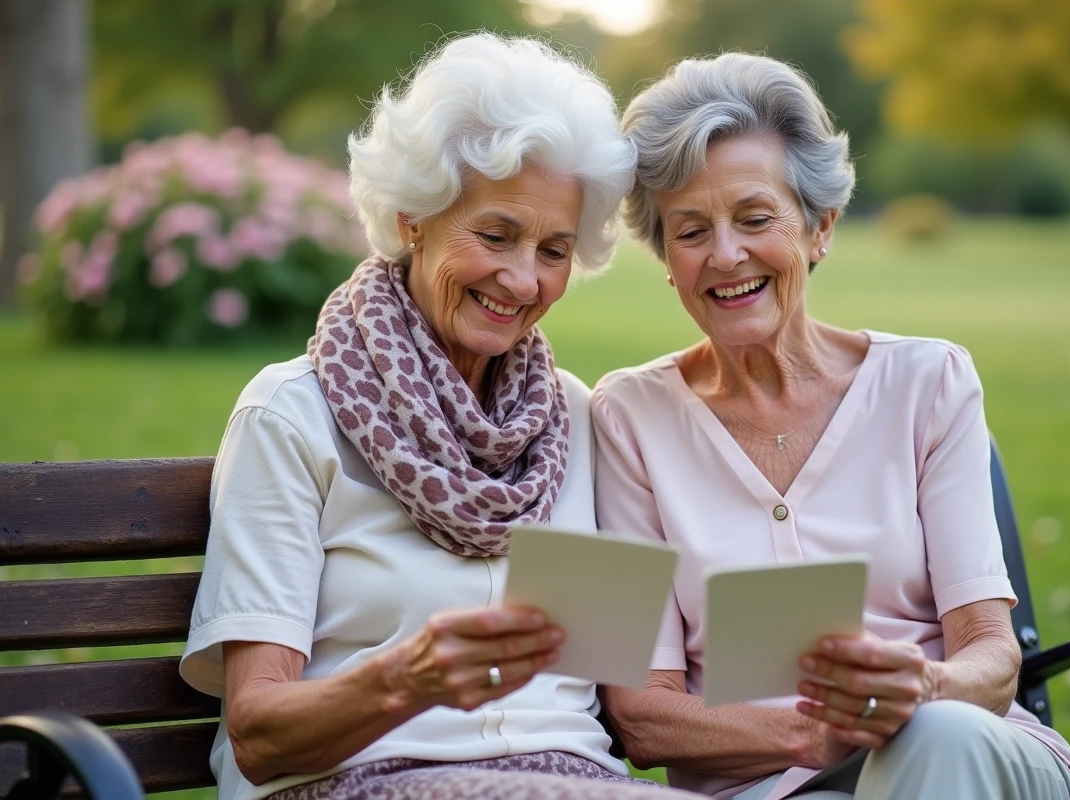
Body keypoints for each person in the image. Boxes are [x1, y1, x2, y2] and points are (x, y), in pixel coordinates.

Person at [180, 33, 690, 800]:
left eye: (554, 250)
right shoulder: (293, 416)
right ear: (413, 215)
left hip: (575, 780)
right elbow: (256, 733)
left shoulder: (579, 419)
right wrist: (404, 679)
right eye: (495, 235)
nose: (522, 279)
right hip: (356, 782)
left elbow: (624, 687)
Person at [591, 53, 1070, 800]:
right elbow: (640, 717)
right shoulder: (622, 417)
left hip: (975, 757)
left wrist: (920, 689)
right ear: (666, 256)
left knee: (938, 734)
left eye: (756, 218)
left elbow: (992, 657)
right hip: (771, 790)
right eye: (690, 230)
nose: (725, 254)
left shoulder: (931, 382)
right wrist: (811, 738)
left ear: (819, 228)